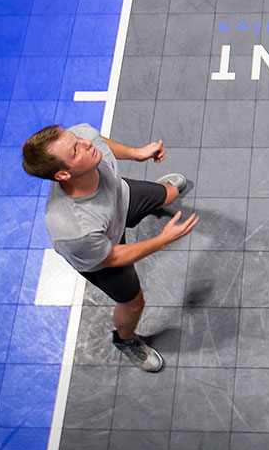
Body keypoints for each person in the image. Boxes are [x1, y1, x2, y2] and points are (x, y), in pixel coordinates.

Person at [22, 124, 199, 372]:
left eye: (77, 139)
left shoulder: (84, 139)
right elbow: (111, 257)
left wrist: (137, 153)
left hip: (120, 197)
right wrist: (160, 241)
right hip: (103, 252)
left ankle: (158, 199)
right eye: (75, 150)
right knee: (133, 303)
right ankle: (125, 341)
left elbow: (99, 140)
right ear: (63, 174)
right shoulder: (73, 229)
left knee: (169, 194)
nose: (86, 143)